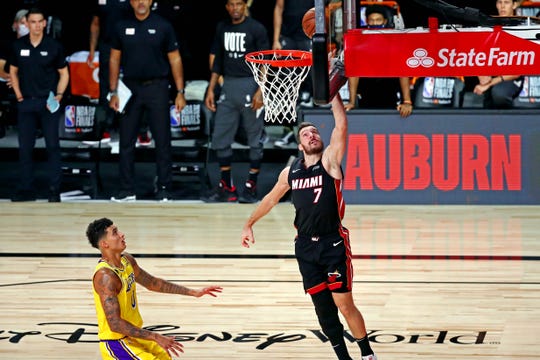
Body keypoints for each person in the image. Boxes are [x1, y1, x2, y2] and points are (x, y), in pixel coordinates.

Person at [241, 94, 377, 360]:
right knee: (323, 310)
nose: (312, 135)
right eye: (306, 134)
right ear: (300, 145)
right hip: (304, 246)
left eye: (315, 132)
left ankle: (367, 354)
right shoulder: (290, 172)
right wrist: (249, 224)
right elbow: (270, 199)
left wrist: (333, 92)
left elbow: (341, 126)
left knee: (344, 304)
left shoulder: (330, 162)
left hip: (332, 243)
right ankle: (343, 358)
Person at [87, 217, 223, 359]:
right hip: (116, 343)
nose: (122, 234)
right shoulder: (106, 276)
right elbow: (115, 323)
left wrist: (193, 292)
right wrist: (155, 336)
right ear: (104, 244)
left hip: (134, 335)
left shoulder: (127, 260)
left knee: (165, 356)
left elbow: (152, 283)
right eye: (115, 232)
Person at [109, 0, 187, 202]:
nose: (141, 2)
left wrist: (180, 91)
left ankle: (164, 188)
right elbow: (114, 59)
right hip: (129, 88)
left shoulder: (163, 26)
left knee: (162, 141)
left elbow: (175, 59)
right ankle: (126, 189)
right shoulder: (121, 26)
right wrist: (113, 91)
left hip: (157, 87)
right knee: (126, 141)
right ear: (131, 2)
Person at [203, 0, 268, 204]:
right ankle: (226, 187)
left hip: (250, 85)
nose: (235, 8)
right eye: (231, 4)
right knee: (220, 137)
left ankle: (251, 185)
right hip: (228, 85)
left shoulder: (256, 28)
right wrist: (211, 88)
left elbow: (264, 61)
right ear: (226, 7)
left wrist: (261, 90)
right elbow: (218, 61)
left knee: (254, 137)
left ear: (245, 5)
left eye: (238, 4)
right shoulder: (222, 27)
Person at [9, 7, 69, 202]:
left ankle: (54, 189)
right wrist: (18, 95)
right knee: (25, 147)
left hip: (47, 103)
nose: (35, 25)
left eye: (39, 21)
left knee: (52, 145)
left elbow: (64, 73)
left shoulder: (54, 46)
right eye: (32, 22)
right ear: (26, 23)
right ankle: (26, 189)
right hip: (26, 103)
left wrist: (59, 95)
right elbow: (13, 71)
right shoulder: (18, 46)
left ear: (45, 23)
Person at [345, 4, 413, 118]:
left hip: (390, 95)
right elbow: (354, 73)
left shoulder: (393, 43)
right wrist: (352, 101)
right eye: (371, 20)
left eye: (378, 20)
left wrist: (407, 101)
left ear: (385, 21)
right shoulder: (360, 43)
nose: (375, 23)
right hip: (366, 95)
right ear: (367, 21)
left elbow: (402, 71)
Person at [87, 0, 131, 145]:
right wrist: (92, 51)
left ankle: (136, 129)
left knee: (131, 84)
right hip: (107, 46)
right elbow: (95, 24)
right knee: (105, 87)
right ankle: (104, 128)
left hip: (129, 44)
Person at [272, 0, 314, 148]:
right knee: (286, 85)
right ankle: (288, 131)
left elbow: (326, 9)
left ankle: (311, 136)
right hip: (287, 36)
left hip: (308, 35)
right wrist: (276, 39)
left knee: (310, 85)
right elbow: (278, 7)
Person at [473, 0, 523, 108]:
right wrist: (481, 74)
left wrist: (489, 84)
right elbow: (477, 53)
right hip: (494, 75)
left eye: (507, 2)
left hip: (514, 78)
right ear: (496, 5)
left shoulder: (521, 27)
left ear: (514, 5)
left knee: (498, 93)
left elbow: (518, 71)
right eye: (500, 2)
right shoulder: (488, 26)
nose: (503, 6)